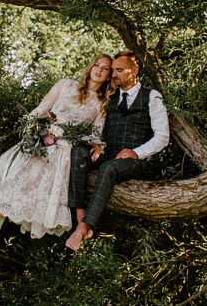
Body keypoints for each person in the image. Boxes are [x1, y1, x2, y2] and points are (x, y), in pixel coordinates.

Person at [0, 55, 112, 245]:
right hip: (45, 132)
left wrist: (95, 144)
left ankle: (40, 210)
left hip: (68, 142)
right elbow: (41, 109)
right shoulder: (65, 84)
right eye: (96, 65)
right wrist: (32, 128)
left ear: (108, 76)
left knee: (61, 149)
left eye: (105, 68)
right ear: (90, 68)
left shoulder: (102, 104)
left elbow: (95, 134)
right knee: (41, 148)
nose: (99, 70)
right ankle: (7, 201)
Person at [63, 51, 169, 251]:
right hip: (110, 151)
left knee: (109, 169)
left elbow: (163, 136)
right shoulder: (109, 97)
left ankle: (84, 227)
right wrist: (95, 143)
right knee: (78, 152)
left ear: (134, 70)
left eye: (119, 70)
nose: (113, 75)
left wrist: (137, 152)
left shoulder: (151, 96)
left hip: (137, 160)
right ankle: (79, 215)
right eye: (112, 71)